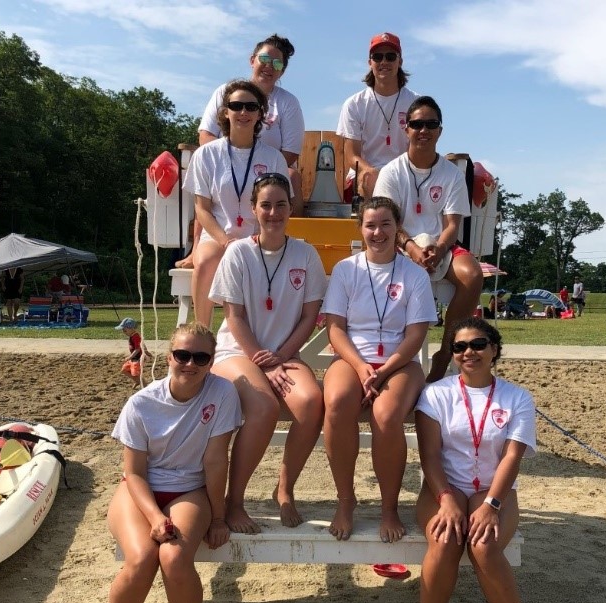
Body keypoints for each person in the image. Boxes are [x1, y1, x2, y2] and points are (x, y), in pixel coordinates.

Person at [100, 322, 242, 603]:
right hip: (139, 492)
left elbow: (215, 462)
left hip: (188, 490)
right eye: (182, 355)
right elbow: (133, 473)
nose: (190, 363)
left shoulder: (222, 393)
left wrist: (218, 517)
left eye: (201, 357)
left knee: (175, 558)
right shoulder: (142, 403)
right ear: (169, 357)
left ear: (212, 361)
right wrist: (154, 517)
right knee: (141, 558)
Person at [409, 317, 536, 603]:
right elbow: (429, 456)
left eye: (478, 344)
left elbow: (512, 458)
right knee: (446, 539)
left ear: (494, 350)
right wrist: (446, 499)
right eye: (459, 347)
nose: (469, 353)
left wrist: (492, 505)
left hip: (494, 490)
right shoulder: (435, 394)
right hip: (443, 487)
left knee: (483, 544)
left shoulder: (517, 397)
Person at [209, 172, 327, 533]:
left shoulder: (306, 254)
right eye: (266, 205)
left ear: (291, 207)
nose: (273, 212)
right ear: (253, 209)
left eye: (281, 204)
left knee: (311, 402)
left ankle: (285, 489)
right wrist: (264, 360)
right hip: (237, 351)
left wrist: (280, 358)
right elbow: (235, 316)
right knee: (262, 406)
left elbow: (310, 316)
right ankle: (235, 500)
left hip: (285, 354)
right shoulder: (237, 252)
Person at [321, 196, 437, 542]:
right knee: (338, 402)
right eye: (370, 225)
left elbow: (416, 334)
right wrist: (360, 368)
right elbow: (335, 328)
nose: (378, 232)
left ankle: (389, 507)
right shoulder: (346, 269)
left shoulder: (414, 275)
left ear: (397, 228)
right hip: (353, 359)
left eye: (386, 224)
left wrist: (383, 371)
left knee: (386, 415)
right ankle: (346, 500)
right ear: (360, 228)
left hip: (400, 364)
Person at [373, 95, 484, 382]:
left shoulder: (451, 174)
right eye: (417, 124)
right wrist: (411, 247)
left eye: (430, 124)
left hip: (440, 245)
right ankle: (389, 356)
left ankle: (447, 350)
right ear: (406, 129)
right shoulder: (391, 172)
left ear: (440, 130)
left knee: (472, 274)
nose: (423, 130)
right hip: (398, 247)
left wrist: (437, 247)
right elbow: (387, 224)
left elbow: (452, 225)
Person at [176, 33, 305, 270]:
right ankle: (196, 249)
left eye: (277, 63)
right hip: (224, 162)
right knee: (210, 181)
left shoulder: (288, 102)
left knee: (291, 176)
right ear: (252, 59)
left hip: (266, 171)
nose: (269, 67)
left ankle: (279, 243)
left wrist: (257, 165)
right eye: (265, 59)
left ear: (282, 72)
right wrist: (226, 162)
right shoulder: (226, 91)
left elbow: (290, 152)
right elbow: (206, 134)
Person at [183, 79, 289, 327]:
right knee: (206, 260)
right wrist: (225, 241)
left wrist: (258, 238)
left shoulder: (273, 157)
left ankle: (256, 335)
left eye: (251, 107)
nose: (244, 112)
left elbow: (279, 208)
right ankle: (202, 332)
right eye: (237, 105)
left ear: (260, 114)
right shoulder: (206, 154)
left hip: (259, 236)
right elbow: (202, 208)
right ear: (225, 112)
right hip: (218, 236)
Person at [337, 32, 418, 200]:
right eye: (378, 57)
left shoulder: (416, 103)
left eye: (390, 56)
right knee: (371, 178)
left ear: (400, 62)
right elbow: (352, 156)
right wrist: (374, 171)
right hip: (366, 174)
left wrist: (394, 173)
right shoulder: (354, 104)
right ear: (370, 63)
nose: (384, 62)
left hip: (404, 172)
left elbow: (419, 149)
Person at [115, 317, 153, 388]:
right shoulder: (133, 336)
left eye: (125, 330)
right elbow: (142, 344)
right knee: (124, 370)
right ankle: (137, 381)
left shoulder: (135, 337)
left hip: (137, 358)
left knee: (136, 373)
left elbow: (137, 349)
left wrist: (130, 357)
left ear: (131, 328)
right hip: (133, 358)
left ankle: (145, 386)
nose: (123, 332)